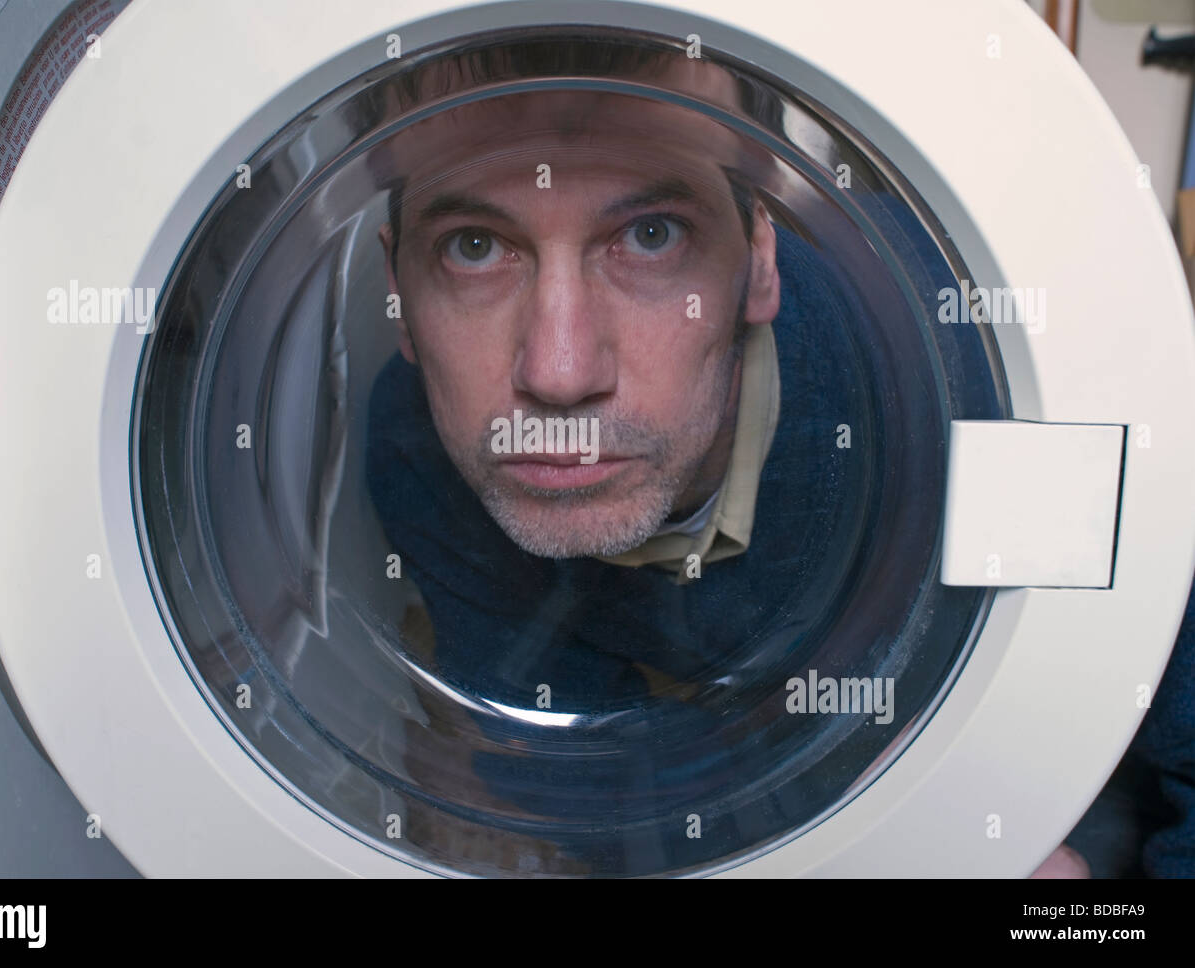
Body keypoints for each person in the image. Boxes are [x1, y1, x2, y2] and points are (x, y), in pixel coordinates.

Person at [359, 39, 1181, 877]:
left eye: (650, 235)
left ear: (759, 262)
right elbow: (582, 771)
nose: (559, 374)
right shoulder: (415, 447)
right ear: (397, 290)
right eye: (473, 247)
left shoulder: (985, 366)